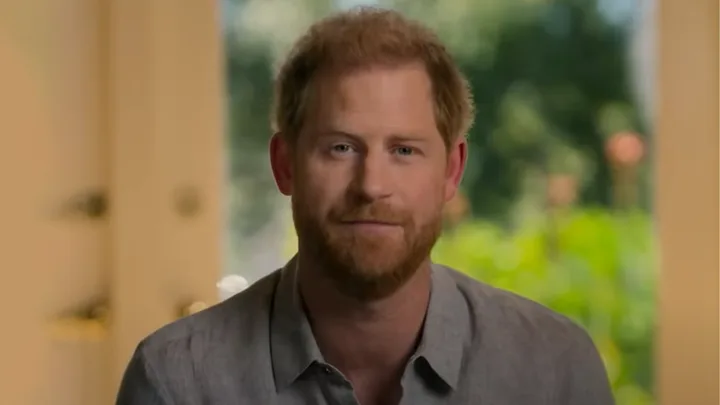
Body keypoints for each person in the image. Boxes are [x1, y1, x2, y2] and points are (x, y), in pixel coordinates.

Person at [116, 7, 614, 405]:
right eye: (340, 148)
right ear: (284, 165)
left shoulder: (553, 371)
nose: (371, 186)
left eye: (403, 150)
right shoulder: (178, 383)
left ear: (451, 171)